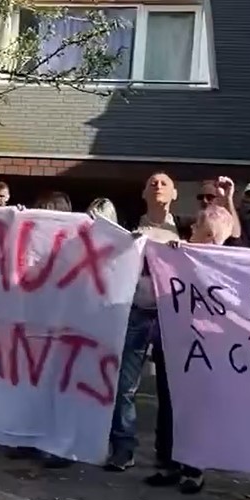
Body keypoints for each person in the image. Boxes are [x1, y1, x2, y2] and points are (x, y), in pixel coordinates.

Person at [150, 203, 237, 494]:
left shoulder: (231, 263)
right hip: (174, 341)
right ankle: (167, 462)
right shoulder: (178, 254)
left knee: (197, 408)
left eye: (217, 237)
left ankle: (194, 468)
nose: (211, 242)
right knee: (167, 405)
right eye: (207, 234)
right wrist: (174, 252)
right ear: (194, 230)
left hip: (206, 346)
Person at [107, 173, 183, 474]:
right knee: (125, 386)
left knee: (170, 389)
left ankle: (167, 456)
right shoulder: (128, 229)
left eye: (165, 182)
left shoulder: (187, 229)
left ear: (175, 193)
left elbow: (225, 234)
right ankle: (123, 449)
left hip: (170, 316)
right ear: (143, 191)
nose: (158, 185)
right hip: (135, 311)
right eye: (152, 181)